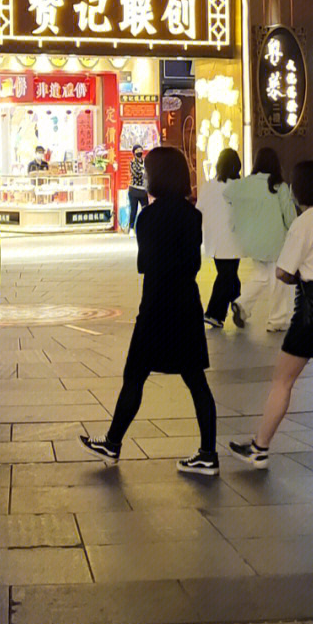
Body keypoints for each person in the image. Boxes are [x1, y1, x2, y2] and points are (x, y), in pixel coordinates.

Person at [81, 146, 218, 475]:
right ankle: (208, 453)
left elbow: (146, 264)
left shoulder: (148, 218)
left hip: (156, 306)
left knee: (135, 376)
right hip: (186, 303)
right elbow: (194, 263)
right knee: (196, 381)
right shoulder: (192, 215)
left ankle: (113, 442)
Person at [230, 160, 313, 477]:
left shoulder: (303, 224)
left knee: (282, 380)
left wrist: (296, 275)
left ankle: (259, 448)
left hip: (311, 309)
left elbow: (283, 271)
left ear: (299, 190)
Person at [225, 147, 298, 331]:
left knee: (262, 276)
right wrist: (295, 231)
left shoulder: (246, 183)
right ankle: (278, 320)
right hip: (274, 241)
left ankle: (242, 305)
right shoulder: (278, 186)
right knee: (278, 282)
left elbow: (227, 193)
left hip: (252, 241)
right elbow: (289, 217)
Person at [199, 148, 243, 328]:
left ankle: (241, 304)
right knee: (227, 275)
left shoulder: (209, 185)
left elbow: (199, 209)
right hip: (233, 239)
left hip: (213, 238)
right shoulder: (239, 187)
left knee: (228, 274)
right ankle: (214, 313)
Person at [126, 145, 148, 234]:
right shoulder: (132, 163)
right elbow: (136, 174)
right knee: (134, 210)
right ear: (134, 152)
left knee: (145, 210)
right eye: (137, 150)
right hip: (134, 190)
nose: (140, 152)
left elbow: (149, 173)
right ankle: (131, 228)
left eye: (141, 150)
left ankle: (145, 227)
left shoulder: (145, 162)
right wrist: (144, 173)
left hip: (143, 190)